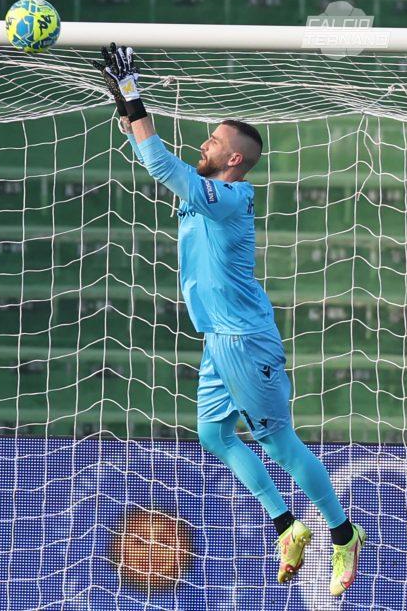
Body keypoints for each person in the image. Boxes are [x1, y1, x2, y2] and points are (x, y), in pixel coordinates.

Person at [93, 44, 364, 595]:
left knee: (280, 442)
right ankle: (289, 526)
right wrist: (124, 100)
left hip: (244, 341)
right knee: (214, 433)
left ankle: (342, 534)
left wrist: (135, 95)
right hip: (220, 339)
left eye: (213, 141)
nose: (204, 143)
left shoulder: (230, 198)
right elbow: (146, 147)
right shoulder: (208, 194)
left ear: (233, 159)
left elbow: (158, 162)